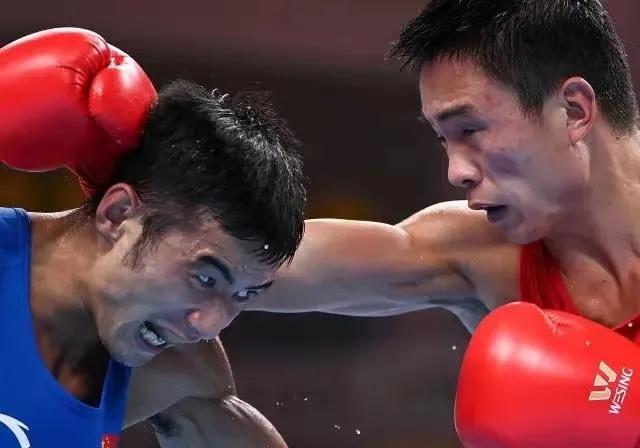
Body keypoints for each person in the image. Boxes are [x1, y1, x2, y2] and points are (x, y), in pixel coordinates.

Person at [236, 0, 640, 445]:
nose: (456, 172)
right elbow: (251, 261)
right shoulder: (483, 255)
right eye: (444, 140)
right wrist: (175, 232)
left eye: (470, 129)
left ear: (574, 111)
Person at [0, 28, 303, 448]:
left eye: (242, 295)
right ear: (117, 214)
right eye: (205, 278)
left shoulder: (174, 370)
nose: (209, 325)